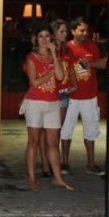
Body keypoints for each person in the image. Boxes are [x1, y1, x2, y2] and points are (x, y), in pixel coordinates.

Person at [22, 24, 73, 192]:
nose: (44, 39)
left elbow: (60, 76)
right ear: (36, 39)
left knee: (53, 142)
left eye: (47, 36)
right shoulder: (32, 57)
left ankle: (57, 178)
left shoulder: (54, 56)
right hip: (35, 102)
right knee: (34, 142)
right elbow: (35, 82)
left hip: (53, 102)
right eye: (41, 36)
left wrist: (54, 55)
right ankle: (31, 178)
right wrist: (50, 72)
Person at [60, 16, 107, 175]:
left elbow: (102, 64)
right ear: (73, 31)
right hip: (70, 97)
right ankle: (64, 163)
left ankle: (91, 163)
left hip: (89, 96)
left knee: (91, 129)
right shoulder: (66, 48)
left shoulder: (92, 46)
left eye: (86, 30)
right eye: (81, 30)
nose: (85, 33)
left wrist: (91, 65)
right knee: (66, 129)